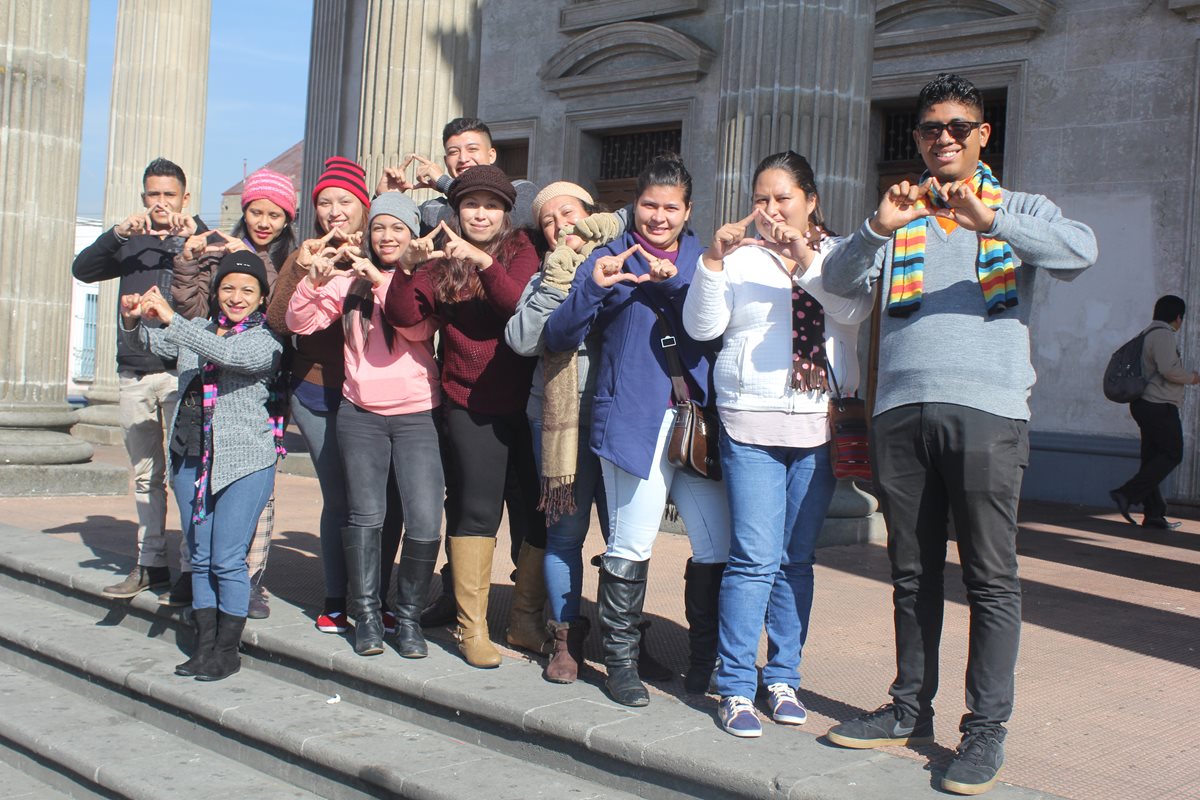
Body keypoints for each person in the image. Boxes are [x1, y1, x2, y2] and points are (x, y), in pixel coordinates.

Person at [820, 74, 1098, 795]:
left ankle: (983, 732)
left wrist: (991, 221)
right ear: (916, 140)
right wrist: (876, 227)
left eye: (955, 126)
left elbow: (1079, 251)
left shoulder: (1018, 208)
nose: (941, 138)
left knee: (989, 579)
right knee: (911, 574)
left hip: (988, 411)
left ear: (982, 135)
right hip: (901, 414)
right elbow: (840, 282)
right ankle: (908, 709)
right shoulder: (900, 212)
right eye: (927, 129)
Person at [683, 151, 871, 737]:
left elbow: (852, 310)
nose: (769, 210)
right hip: (751, 422)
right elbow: (701, 328)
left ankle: (783, 674)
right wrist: (713, 261)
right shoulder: (737, 259)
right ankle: (736, 686)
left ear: (810, 200)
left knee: (796, 560)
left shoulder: (840, 256)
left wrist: (806, 260)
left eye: (781, 198)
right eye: (760, 199)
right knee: (754, 558)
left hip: (818, 427)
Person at [543, 154, 730, 707]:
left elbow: (718, 329)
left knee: (716, 546)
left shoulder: (706, 258)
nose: (659, 216)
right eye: (649, 205)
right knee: (632, 543)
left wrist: (677, 286)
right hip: (630, 420)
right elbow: (557, 334)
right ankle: (620, 665)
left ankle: (706, 664)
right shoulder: (606, 255)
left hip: (695, 424)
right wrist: (594, 288)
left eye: (671, 207)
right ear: (635, 205)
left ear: (688, 211)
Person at [382, 164, 545, 668]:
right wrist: (407, 269)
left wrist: (482, 261)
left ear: (505, 212)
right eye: (471, 204)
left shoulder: (522, 251)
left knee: (534, 513)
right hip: (470, 404)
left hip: (531, 406)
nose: (480, 213)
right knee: (476, 512)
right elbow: (405, 316)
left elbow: (517, 303)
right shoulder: (441, 258)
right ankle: (472, 628)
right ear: (457, 208)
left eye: (491, 205)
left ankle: (524, 620)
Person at [286, 192, 445, 657]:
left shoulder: (423, 281)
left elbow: (417, 329)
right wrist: (312, 282)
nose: (388, 236)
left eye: (398, 227)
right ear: (369, 234)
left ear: (412, 234)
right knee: (365, 517)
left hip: (417, 413)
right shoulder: (349, 282)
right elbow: (301, 322)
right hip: (361, 414)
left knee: (422, 520)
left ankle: (409, 618)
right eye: (379, 227)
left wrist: (381, 280)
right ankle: (368, 615)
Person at [119, 251, 283, 681]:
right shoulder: (198, 329)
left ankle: (227, 651)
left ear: (262, 298)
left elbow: (227, 355)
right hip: (190, 454)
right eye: (228, 287)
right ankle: (204, 647)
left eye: (247, 290)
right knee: (203, 554)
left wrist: (172, 319)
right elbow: (148, 345)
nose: (236, 296)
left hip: (243, 460)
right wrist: (136, 319)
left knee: (228, 557)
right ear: (216, 292)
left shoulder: (264, 340)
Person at [266, 157, 405, 636]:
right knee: (342, 497)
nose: (334, 211)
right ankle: (336, 598)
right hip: (318, 390)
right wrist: (302, 271)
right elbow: (280, 321)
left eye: (344, 201)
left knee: (383, 500)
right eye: (324, 202)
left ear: (363, 208)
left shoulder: (384, 247)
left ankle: (374, 597)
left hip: (377, 395)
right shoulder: (306, 251)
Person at [503, 183, 624, 683]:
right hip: (555, 420)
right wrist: (556, 280)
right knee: (565, 533)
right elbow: (522, 340)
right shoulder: (544, 275)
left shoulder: (620, 253)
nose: (560, 225)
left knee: (623, 535)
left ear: (589, 213)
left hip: (616, 414)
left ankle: (624, 642)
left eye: (568, 212)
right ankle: (565, 639)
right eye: (549, 220)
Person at [72, 157, 207, 600]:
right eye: (154, 194)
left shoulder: (197, 237)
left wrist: (194, 230)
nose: (161, 203)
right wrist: (117, 234)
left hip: (179, 372)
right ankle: (151, 564)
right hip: (133, 372)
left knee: (186, 474)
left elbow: (231, 266)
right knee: (147, 475)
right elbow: (83, 269)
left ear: (184, 198)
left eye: (170, 194)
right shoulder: (130, 244)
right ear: (143, 198)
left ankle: (191, 570)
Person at [167, 167, 299, 617]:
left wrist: (255, 264)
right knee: (202, 484)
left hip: (269, 376)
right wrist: (188, 261)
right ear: (244, 212)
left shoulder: (295, 257)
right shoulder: (217, 247)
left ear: (287, 219)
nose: (264, 222)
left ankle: (249, 578)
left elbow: (282, 318)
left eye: (275, 214)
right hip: (215, 374)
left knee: (255, 492)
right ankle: (196, 573)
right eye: (256, 212)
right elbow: (193, 310)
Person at [1110, 295, 1200, 530]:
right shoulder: (1162, 335)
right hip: (1158, 404)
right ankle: (1127, 494)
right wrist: (1193, 377)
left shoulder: (1148, 333)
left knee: (1152, 458)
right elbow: (1169, 370)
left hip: (1146, 404)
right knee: (1173, 453)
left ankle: (1153, 515)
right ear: (1177, 317)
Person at [377, 117, 540, 232]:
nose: (463, 158)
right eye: (454, 152)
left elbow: (516, 219)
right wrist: (385, 199)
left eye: (472, 149)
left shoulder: (522, 191)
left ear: (491, 155)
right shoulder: (432, 209)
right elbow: (389, 235)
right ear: (446, 160)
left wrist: (444, 182)